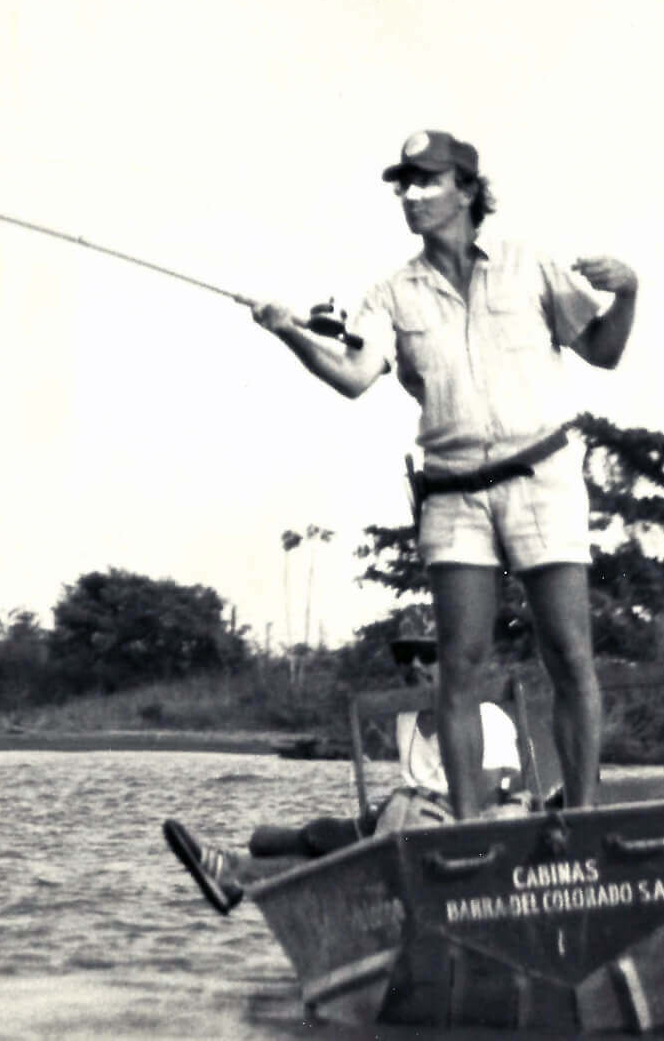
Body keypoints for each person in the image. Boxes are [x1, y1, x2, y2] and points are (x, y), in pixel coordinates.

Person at [251, 130, 637, 820]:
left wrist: (629, 291)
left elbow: (603, 351)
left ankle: (580, 817)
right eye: (404, 185)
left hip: (542, 480)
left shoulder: (527, 265)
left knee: (570, 656)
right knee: (458, 665)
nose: (412, 196)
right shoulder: (392, 293)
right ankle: (466, 832)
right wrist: (290, 332)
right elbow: (352, 376)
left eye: (427, 182)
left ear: (466, 189)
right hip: (454, 494)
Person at [162, 620, 525, 914]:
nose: (414, 665)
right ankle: (234, 869)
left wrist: (410, 808)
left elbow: (485, 800)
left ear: (451, 660)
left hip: (449, 834)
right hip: (401, 823)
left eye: (427, 655)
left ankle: (232, 870)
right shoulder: (406, 716)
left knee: (332, 843)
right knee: (267, 838)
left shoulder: (486, 716)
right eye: (405, 656)